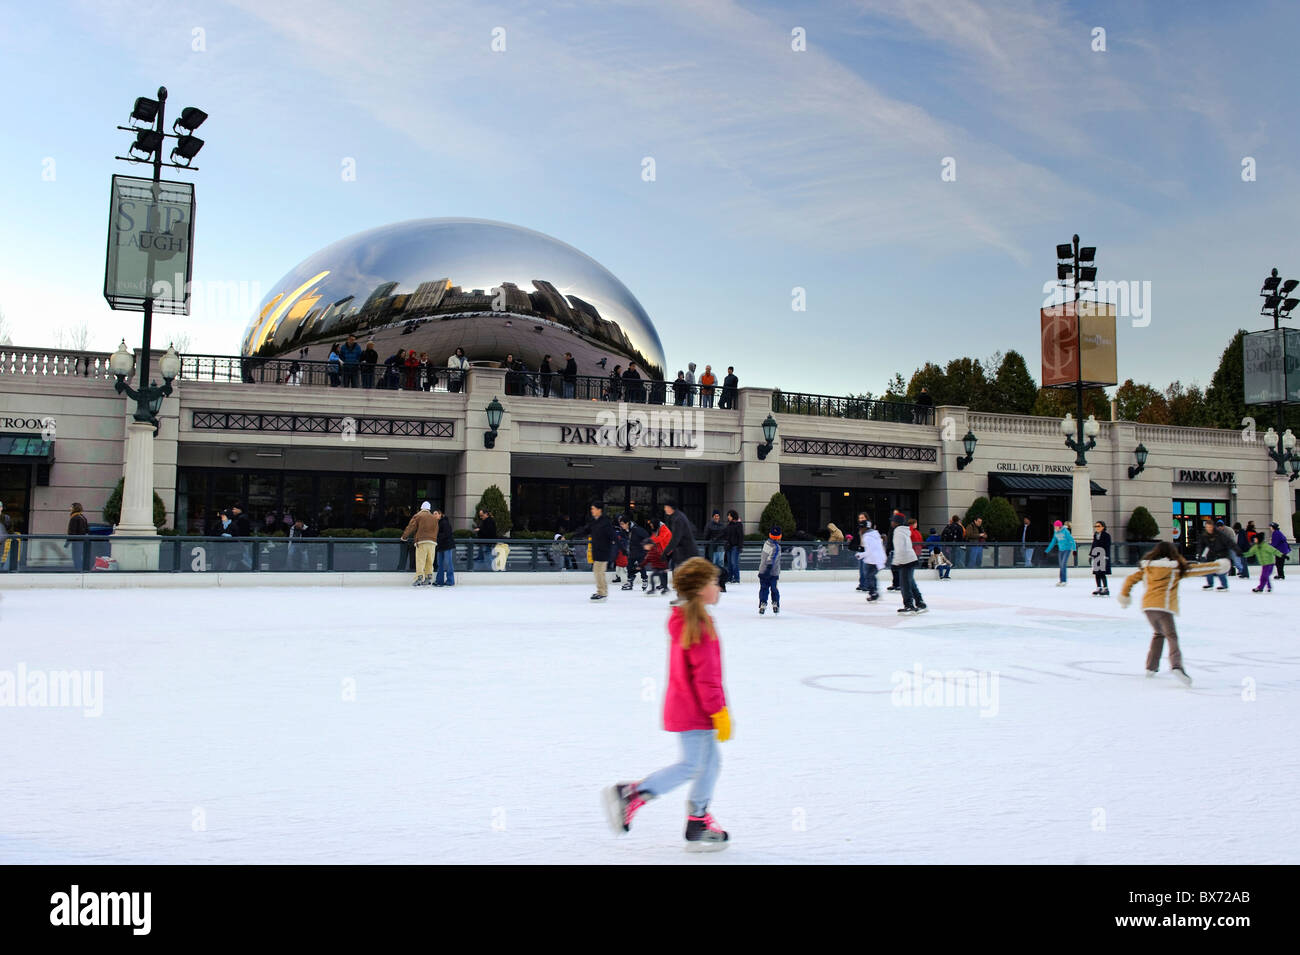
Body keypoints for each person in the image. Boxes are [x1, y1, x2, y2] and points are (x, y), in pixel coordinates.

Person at [603, 557, 731, 851]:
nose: (718, 587)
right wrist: (718, 711)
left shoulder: (686, 619)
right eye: (713, 582)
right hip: (695, 709)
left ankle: (698, 822)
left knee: (709, 764)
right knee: (691, 765)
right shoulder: (698, 625)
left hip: (689, 706)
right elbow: (707, 678)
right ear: (700, 589)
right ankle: (632, 794)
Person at [1118, 541, 1228, 685]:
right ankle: (1176, 666)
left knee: (1158, 634)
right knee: (1171, 636)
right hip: (1163, 607)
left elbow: (1130, 580)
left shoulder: (1147, 568)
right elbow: (1197, 569)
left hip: (1148, 607)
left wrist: (1125, 596)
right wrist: (1219, 566)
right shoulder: (1174, 569)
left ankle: (1151, 667)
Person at [577, 501, 614, 601]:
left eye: (593, 509)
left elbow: (613, 536)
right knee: (599, 572)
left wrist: (622, 549)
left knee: (598, 571)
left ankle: (601, 592)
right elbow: (586, 530)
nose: (591, 511)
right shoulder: (594, 521)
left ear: (599, 510)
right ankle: (603, 592)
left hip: (604, 550)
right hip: (596, 550)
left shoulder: (606, 522)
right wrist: (575, 535)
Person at [891, 512, 925, 613]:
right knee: (910, 582)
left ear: (896, 522)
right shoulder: (904, 530)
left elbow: (900, 548)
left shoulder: (898, 531)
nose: (891, 522)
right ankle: (920, 602)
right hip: (910, 559)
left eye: (893, 521)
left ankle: (909, 605)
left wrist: (895, 563)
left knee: (905, 584)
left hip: (905, 561)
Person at [401, 502, 440, 586]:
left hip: (422, 541)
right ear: (429, 509)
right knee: (430, 560)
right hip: (432, 542)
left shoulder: (418, 516)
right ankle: (428, 577)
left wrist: (404, 537)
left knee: (420, 560)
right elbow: (436, 530)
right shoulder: (434, 518)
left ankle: (419, 578)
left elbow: (411, 527)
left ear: (421, 508)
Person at [661, 501, 699, 571]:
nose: (664, 509)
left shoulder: (678, 519)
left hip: (686, 553)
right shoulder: (677, 516)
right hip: (683, 553)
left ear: (670, 507)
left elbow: (676, 538)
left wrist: (665, 552)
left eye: (665, 507)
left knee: (682, 576)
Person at [1196, 519, 1232, 591]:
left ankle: (1224, 585)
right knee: (1209, 569)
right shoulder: (1205, 534)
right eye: (1207, 527)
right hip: (1210, 554)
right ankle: (1210, 584)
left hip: (1219, 554)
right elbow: (1201, 545)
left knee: (1219, 569)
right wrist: (1199, 554)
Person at [856, 519, 887, 601]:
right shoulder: (874, 535)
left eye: (861, 528)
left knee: (869, 576)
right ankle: (874, 592)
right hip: (876, 559)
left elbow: (870, 551)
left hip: (874, 560)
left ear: (865, 528)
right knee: (871, 576)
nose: (860, 530)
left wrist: (860, 555)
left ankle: (873, 593)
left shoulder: (868, 537)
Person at [757, 525, 782, 614]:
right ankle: (775, 603)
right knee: (774, 588)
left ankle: (763, 603)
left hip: (762, 570)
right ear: (779, 536)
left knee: (764, 588)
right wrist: (768, 570)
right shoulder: (776, 547)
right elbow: (770, 559)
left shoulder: (766, 543)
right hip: (772, 572)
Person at [621, 515, 650, 591]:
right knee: (629, 567)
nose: (622, 526)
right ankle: (630, 581)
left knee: (641, 566)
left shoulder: (637, 530)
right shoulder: (626, 531)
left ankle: (644, 580)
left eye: (623, 524)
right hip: (632, 552)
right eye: (620, 524)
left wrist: (646, 548)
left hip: (640, 552)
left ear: (627, 523)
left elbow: (647, 537)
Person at [1044, 520, 1076, 585]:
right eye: (1054, 527)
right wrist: (1046, 551)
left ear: (1060, 526)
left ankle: (1064, 580)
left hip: (1067, 549)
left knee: (1063, 564)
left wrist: (1074, 550)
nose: (1055, 528)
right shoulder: (1055, 532)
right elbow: (1053, 542)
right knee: (1061, 565)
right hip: (1061, 550)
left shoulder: (1065, 531)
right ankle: (1061, 580)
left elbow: (1072, 540)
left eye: (1056, 527)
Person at [432, 508, 456, 587]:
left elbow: (447, 534)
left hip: (447, 546)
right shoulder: (436, 523)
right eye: (433, 514)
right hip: (440, 546)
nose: (434, 515)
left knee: (448, 564)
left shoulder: (445, 522)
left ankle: (450, 581)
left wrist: (436, 537)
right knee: (440, 564)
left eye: (435, 514)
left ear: (440, 514)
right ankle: (439, 581)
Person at [1090, 520, 1112, 595]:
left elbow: (1107, 546)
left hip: (1103, 555)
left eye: (1098, 526)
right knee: (1097, 572)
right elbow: (1093, 545)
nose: (1097, 528)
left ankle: (1105, 588)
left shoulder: (1106, 536)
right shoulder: (1095, 535)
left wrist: (1106, 556)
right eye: (1095, 526)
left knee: (1102, 572)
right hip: (1096, 555)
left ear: (1103, 527)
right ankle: (1099, 587)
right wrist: (1091, 554)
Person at [723, 510, 744, 584]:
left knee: (734, 562)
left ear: (732, 516)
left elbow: (741, 536)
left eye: (729, 515)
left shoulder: (738, 524)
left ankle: (736, 578)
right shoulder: (729, 525)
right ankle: (729, 578)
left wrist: (740, 546)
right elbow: (724, 534)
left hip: (735, 546)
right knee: (729, 563)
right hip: (728, 546)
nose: (728, 517)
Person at [66, 502, 88, 571]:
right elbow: (87, 530)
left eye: (71, 507)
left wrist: (68, 541)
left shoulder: (74, 518)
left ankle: (78, 570)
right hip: (82, 541)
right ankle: (81, 570)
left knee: (76, 557)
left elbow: (72, 532)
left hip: (76, 541)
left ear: (75, 508)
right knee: (80, 556)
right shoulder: (83, 517)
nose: (70, 508)